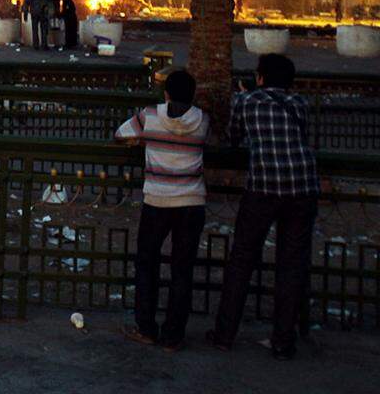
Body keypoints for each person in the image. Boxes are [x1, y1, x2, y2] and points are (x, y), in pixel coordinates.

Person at [207, 54, 319, 360]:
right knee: (292, 264)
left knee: (242, 259)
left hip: (264, 187)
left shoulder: (247, 102)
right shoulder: (299, 104)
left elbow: (233, 138)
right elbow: (303, 138)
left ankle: (224, 334)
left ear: (259, 77)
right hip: (303, 187)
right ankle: (283, 340)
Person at [115, 69, 209, 351]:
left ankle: (146, 327)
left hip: (157, 201)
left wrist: (144, 139)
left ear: (166, 93)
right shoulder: (203, 121)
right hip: (192, 203)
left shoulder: (150, 116)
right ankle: (173, 335)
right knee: (182, 269)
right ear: (193, 94)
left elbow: (120, 133)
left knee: (147, 263)